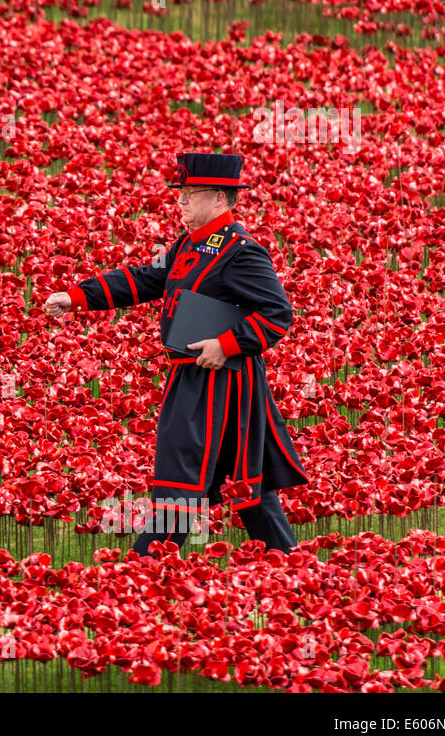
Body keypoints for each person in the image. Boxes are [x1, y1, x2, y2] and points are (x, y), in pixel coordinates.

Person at [44, 152, 308, 558]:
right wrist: (78, 296)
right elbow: (146, 279)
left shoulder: (242, 251)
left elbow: (277, 313)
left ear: (220, 198)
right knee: (245, 486)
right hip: (190, 378)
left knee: (182, 479)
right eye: (180, 194)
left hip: (223, 384)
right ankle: (293, 567)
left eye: (190, 194)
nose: (180, 202)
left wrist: (226, 345)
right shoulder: (189, 244)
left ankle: (143, 570)